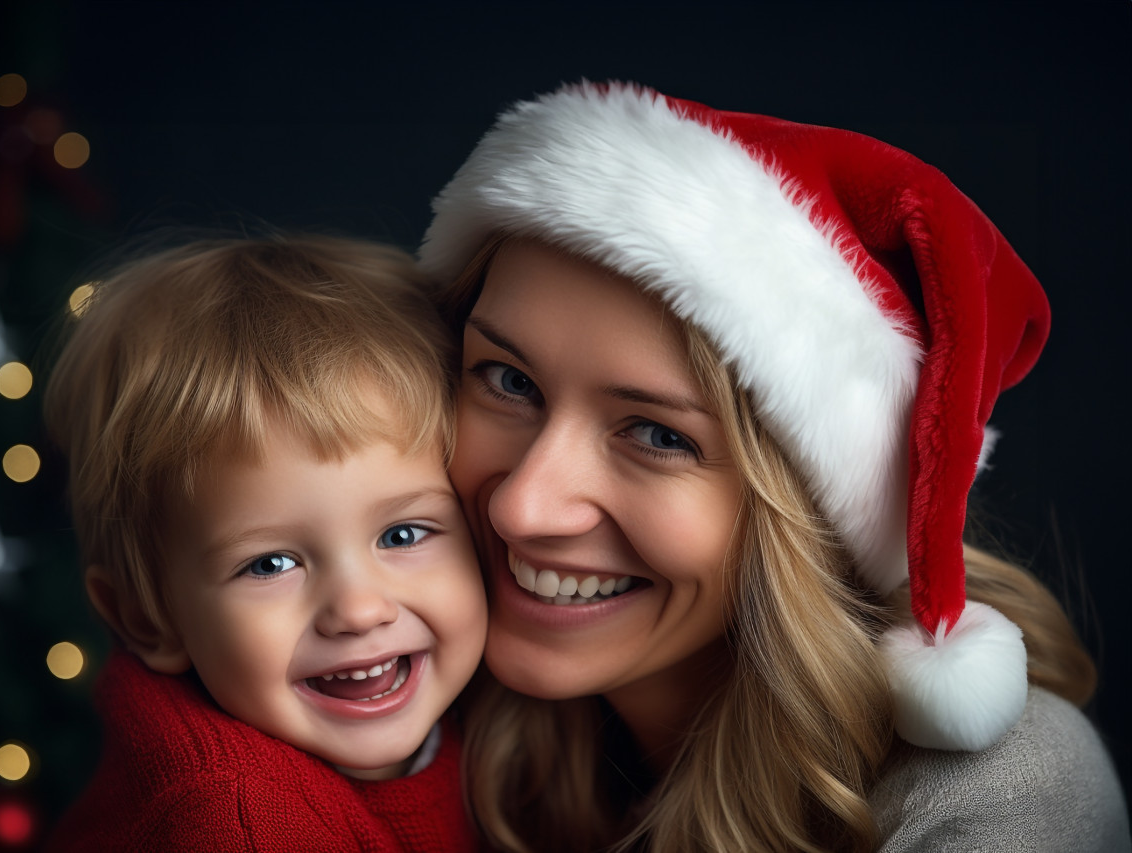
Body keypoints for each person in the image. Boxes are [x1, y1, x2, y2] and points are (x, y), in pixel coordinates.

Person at [419, 82, 1131, 852]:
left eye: (657, 435)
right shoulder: (397, 695)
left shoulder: (1002, 791)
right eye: (509, 380)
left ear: (814, 511)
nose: (522, 506)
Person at [42, 233, 486, 852]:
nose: (359, 610)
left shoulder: (500, 710)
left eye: (402, 534)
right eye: (270, 564)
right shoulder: (241, 822)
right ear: (145, 617)